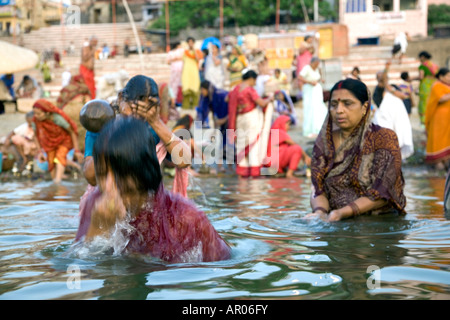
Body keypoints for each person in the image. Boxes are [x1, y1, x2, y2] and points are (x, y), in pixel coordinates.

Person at [74, 116, 232, 263]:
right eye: (101, 175)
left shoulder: (186, 218)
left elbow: (222, 268)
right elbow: (76, 265)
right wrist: (96, 229)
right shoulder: (95, 203)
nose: (108, 186)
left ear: (143, 172)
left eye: (119, 175)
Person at [306, 78, 407, 222]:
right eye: (334, 104)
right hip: (335, 223)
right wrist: (319, 212)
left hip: (379, 225)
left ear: (365, 107)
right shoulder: (325, 142)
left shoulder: (384, 138)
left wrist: (342, 213)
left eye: (348, 104)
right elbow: (317, 187)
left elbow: (384, 190)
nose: (339, 110)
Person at [228, 70, 274, 178]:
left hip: (239, 119)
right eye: (255, 81)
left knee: (241, 144)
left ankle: (242, 172)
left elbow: (227, 99)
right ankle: (254, 172)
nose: (255, 83)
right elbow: (261, 103)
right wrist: (269, 99)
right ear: (251, 79)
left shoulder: (235, 89)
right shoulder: (249, 90)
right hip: (250, 118)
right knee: (254, 144)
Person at [32, 99, 82, 184]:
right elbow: (35, 136)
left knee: (60, 156)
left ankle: (58, 183)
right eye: (35, 113)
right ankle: (56, 183)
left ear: (47, 113)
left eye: (39, 114)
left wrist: (76, 150)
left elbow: (72, 132)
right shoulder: (35, 121)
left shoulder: (57, 118)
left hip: (64, 140)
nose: (36, 116)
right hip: (49, 143)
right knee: (51, 161)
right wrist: (40, 151)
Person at [372, 64, 414, 160]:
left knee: (399, 136)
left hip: (398, 116)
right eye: (380, 77)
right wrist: (386, 70)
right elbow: (378, 100)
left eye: (384, 77)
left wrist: (390, 89)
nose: (382, 79)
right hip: (385, 118)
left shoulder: (393, 87)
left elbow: (403, 96)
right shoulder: (378, 90)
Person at [197, 80, 230, 172]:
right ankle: (222, 167)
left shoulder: (221, 95)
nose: (201, 92)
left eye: (202, 90)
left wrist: (224, 120)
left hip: (230, 121)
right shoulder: (210, 98)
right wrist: (215, 130)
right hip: (221, 122)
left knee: (228, 144)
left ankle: (231, 168)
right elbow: (213, 113)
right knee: (221, 145)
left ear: (207, 89)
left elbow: (232, 109)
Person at [424, 68, 450, 170]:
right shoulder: (437, 85)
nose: (449, 78)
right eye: (448, 76)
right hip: (439, 121)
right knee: (439, 143)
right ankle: (438, 173)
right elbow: (442, 98)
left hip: (447, 120)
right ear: (441, 77)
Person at [298, 57, 328, 138]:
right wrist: (310, 82)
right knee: (310, 109)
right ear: (312, 63)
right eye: (316, 64)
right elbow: (300, 77)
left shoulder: (317, 69)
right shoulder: (307, 68)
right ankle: (309, 130)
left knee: (319, 109)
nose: (316, 66)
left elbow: (317, 78)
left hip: (316, 91)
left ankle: (318, 129)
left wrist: (320, 80)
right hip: (309, 90)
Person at [415, 51, 439, 124]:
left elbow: (421, 77)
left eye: (420, 57)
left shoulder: (422, 66)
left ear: (423, 57)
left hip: (425, 85)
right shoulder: (434, 65)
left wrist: (411, 79)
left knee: (423, 103)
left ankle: (423, 122)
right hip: (434, 84)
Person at [181, 37, 202, 110]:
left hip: (194, 72)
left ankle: (195, 106)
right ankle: (186, 107)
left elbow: (198, 59)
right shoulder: (185, 52)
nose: (190, 44)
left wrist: (194, 50)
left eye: (191, 43)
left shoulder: (197, 51)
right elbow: (183, 62)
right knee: (186, 88)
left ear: (193, 43)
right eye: (189, 43)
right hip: (186, 72)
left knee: (195, 87)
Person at [167, 41, 184, 107]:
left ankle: (177, 100)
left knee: (177, 85)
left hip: (180, 70)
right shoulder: (172, 52)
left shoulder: (180, 51)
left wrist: (175, 59)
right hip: (175, 71)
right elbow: (168, 61)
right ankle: (173, 101)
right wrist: (175, 59)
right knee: (173, 85)